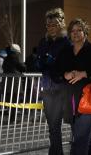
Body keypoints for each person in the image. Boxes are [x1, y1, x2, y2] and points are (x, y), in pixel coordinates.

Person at [55, 18, 91, 155]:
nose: (75, 33)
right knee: (85, 139)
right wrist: (64, 74)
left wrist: (85, 73)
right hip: (71, 101)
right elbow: (55, 71)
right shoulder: (65, 52)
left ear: (85, 32)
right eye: (72, 31)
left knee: (80, 139)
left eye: (79, 30)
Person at [36, 8, 71, 155]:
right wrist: (46, 61)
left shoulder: (66, 42)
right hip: (48, 87)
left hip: (63, 87)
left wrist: (51, 61)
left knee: (75, 124)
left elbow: (65, 63)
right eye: (48, 25)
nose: (51, 28)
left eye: (54, 25)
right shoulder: (44, 41)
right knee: (53, 126)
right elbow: (39, 63)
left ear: (61, 25)